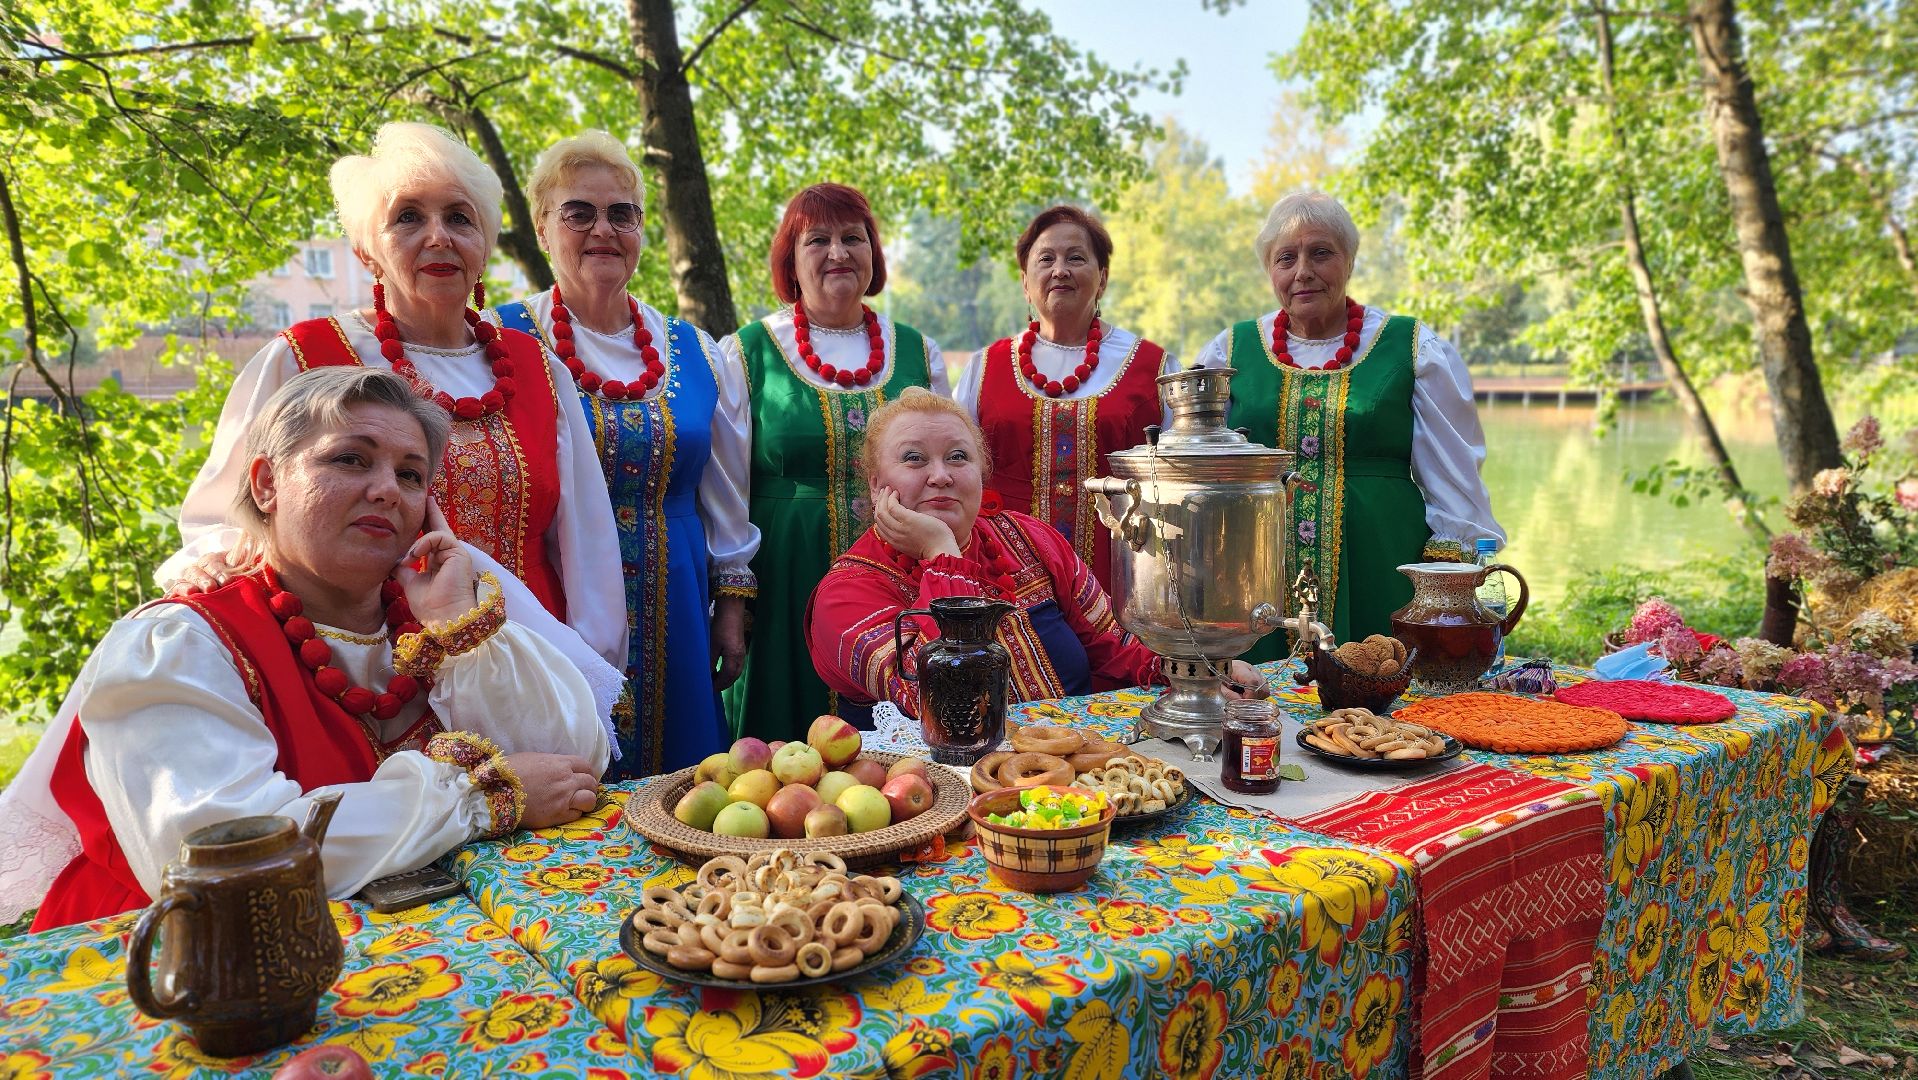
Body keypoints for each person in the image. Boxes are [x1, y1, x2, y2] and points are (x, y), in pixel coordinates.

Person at [17, 368, 609, 930]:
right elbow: (224, 856)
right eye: (350, 459)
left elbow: (566, 765)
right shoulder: (180, 643)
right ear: (267, 483)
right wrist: (480, 801)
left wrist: (457, 629)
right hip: (188, 969)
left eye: (410, 475)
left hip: (415, 949)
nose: (386, 490)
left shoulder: (432, 622)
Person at [159, 122, 625, 691]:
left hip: (524, 663)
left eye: (460, 218)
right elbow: (222, 518)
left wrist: (589, 665)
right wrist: (215, 567)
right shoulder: (305, 356)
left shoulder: (536, 368)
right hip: (356, 667)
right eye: (408, 217)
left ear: (485, 243)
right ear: (365, 248)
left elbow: (587, 540)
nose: (439, 237)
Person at [491, 132, 756, 780]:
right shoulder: (500, 340)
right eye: (579, 212)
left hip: (679, 602)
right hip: (549, 597)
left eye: (622, 214)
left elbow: (723, 492)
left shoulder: (694, 349)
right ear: (542, 226)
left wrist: (731, 603)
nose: (603, 230)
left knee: (690, 794)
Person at [806, 389, 1264, 719]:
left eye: (958, 457)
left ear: (983, 472)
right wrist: (941, 554)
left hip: (1080, 775)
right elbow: (948, 703)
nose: (941, 475)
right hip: (942, 803)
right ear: (874, 483)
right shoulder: (846, 594)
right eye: (913, 459)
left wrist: (1201, 675)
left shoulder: (1029, 540)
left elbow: (1118, 652)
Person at [1196, 191, 1502, 655]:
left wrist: (1449, 582)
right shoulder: (1229, 351)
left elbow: (1453, 476)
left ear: (1350, 261)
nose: (1303, 271)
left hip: (1382, 559)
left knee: (1384, 706)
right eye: (1285, 258)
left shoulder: (1412, 345)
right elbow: (1197, 468)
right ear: (1269, 271)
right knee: (1255, 712)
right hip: (1255, 568)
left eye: (1321, 253)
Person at [720, 183, 948, 742]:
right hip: (781, 579)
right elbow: (723, 485)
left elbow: (951, 468)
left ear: (874, 253)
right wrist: (732, 599)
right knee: (781, 762)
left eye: (854, 238)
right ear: (791, 263)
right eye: (817, 240)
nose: (838, 252)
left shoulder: (918, 351)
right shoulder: (749, 351)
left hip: (898, 577)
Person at [955, 205, 1177, 592]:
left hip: (1125, 571)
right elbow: (957, 465)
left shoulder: (1153, 367)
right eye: (1046, 259)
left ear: (1102, 278)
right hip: (1003, 569)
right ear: (1025, 282)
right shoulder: (983, 368)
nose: (1060, 270)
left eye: (1076, 257)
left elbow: (1178, 476)